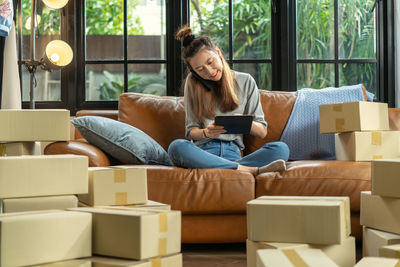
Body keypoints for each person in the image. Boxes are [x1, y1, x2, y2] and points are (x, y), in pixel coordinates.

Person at [168, 25, 290, 175]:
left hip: (233, 151)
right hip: (204, 152)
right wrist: (206, 133)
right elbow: (191, 131)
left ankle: (231, 167)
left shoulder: (245, 81)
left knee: (281, 149)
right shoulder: (192, 83)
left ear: (218, 52)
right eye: (200, 70)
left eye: (210, 62)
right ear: (194, 71)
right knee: (176, 146)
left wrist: (245, 122)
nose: (209, 71)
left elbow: (262, 131)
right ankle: (247, 170)